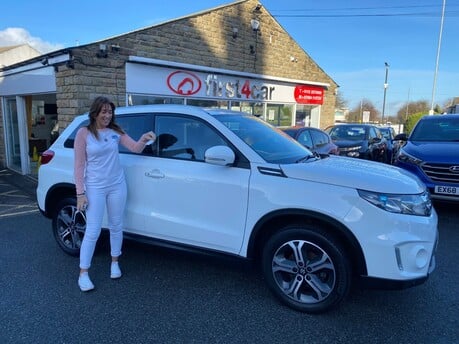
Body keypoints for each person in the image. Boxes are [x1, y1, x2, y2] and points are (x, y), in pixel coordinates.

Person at [74, 96, 156, 292]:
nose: (107, 115)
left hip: (117, 184)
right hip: (95, 187)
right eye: (103, 112)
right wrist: (80, 193)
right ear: (95, 113)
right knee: (93, 230)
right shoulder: (83, 133)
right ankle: (83, 274)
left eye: (110, 112)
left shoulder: (115, 132)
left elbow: (135, 148)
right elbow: (78, 166)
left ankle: (115, 262)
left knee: (116, 224)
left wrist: (144, 139)